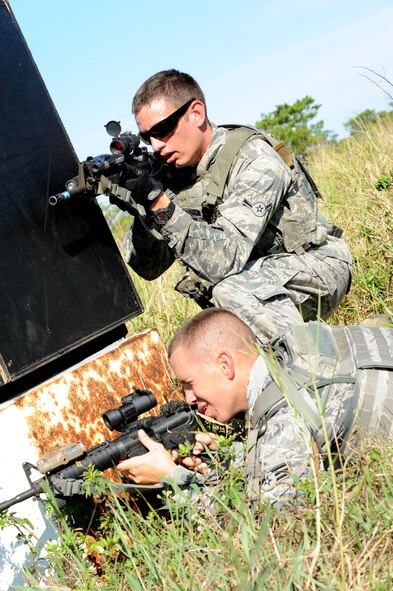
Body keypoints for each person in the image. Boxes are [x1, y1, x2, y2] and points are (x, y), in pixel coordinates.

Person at [109, 69, 352, 345]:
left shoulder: (254, 158)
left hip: (319, 269)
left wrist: (156, 200)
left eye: (162, 130)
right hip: (259, 282)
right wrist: (144, 211)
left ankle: (312, 370)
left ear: (196, 113)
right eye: (146, 137)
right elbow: (149, 268)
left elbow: (226, 260)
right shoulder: (171, 175)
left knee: (231, 290)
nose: (156, 145)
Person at [117, 308, 393, 508]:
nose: (188, 398)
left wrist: (173, 481)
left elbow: (272, 526)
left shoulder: (285, 411)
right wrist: (228, 456)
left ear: (225, 364)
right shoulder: (289, 353)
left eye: (189, 383)